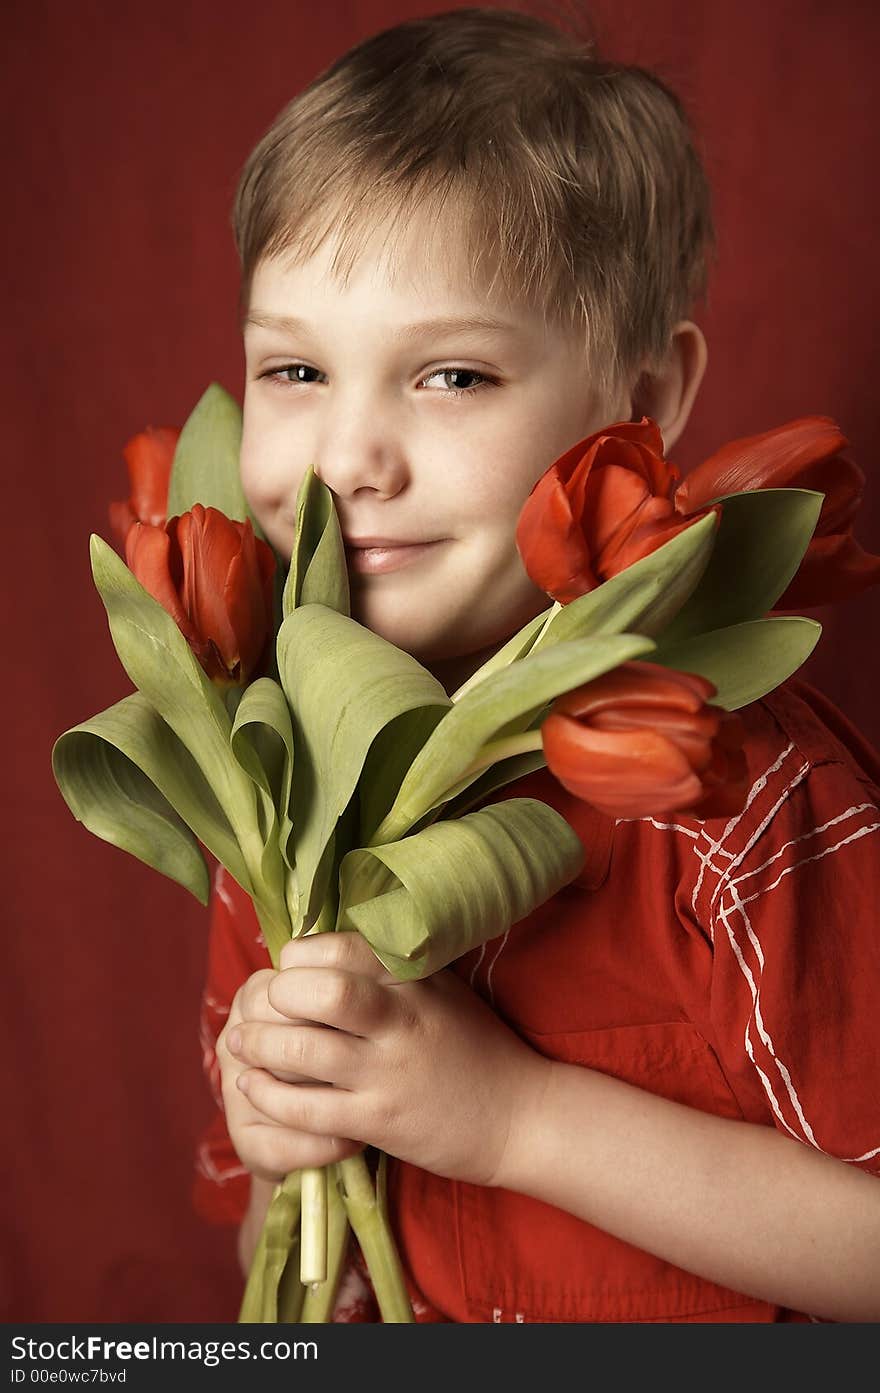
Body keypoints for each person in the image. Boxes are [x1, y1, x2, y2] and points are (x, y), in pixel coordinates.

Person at [193, 7, 880, 1322]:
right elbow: (277, 1277)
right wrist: (284, 1136)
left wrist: (512, 1118)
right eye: (294, 367)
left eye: (450, 376)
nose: (348, 459)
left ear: (646, 397)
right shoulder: (265, 791)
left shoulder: (740, 799)